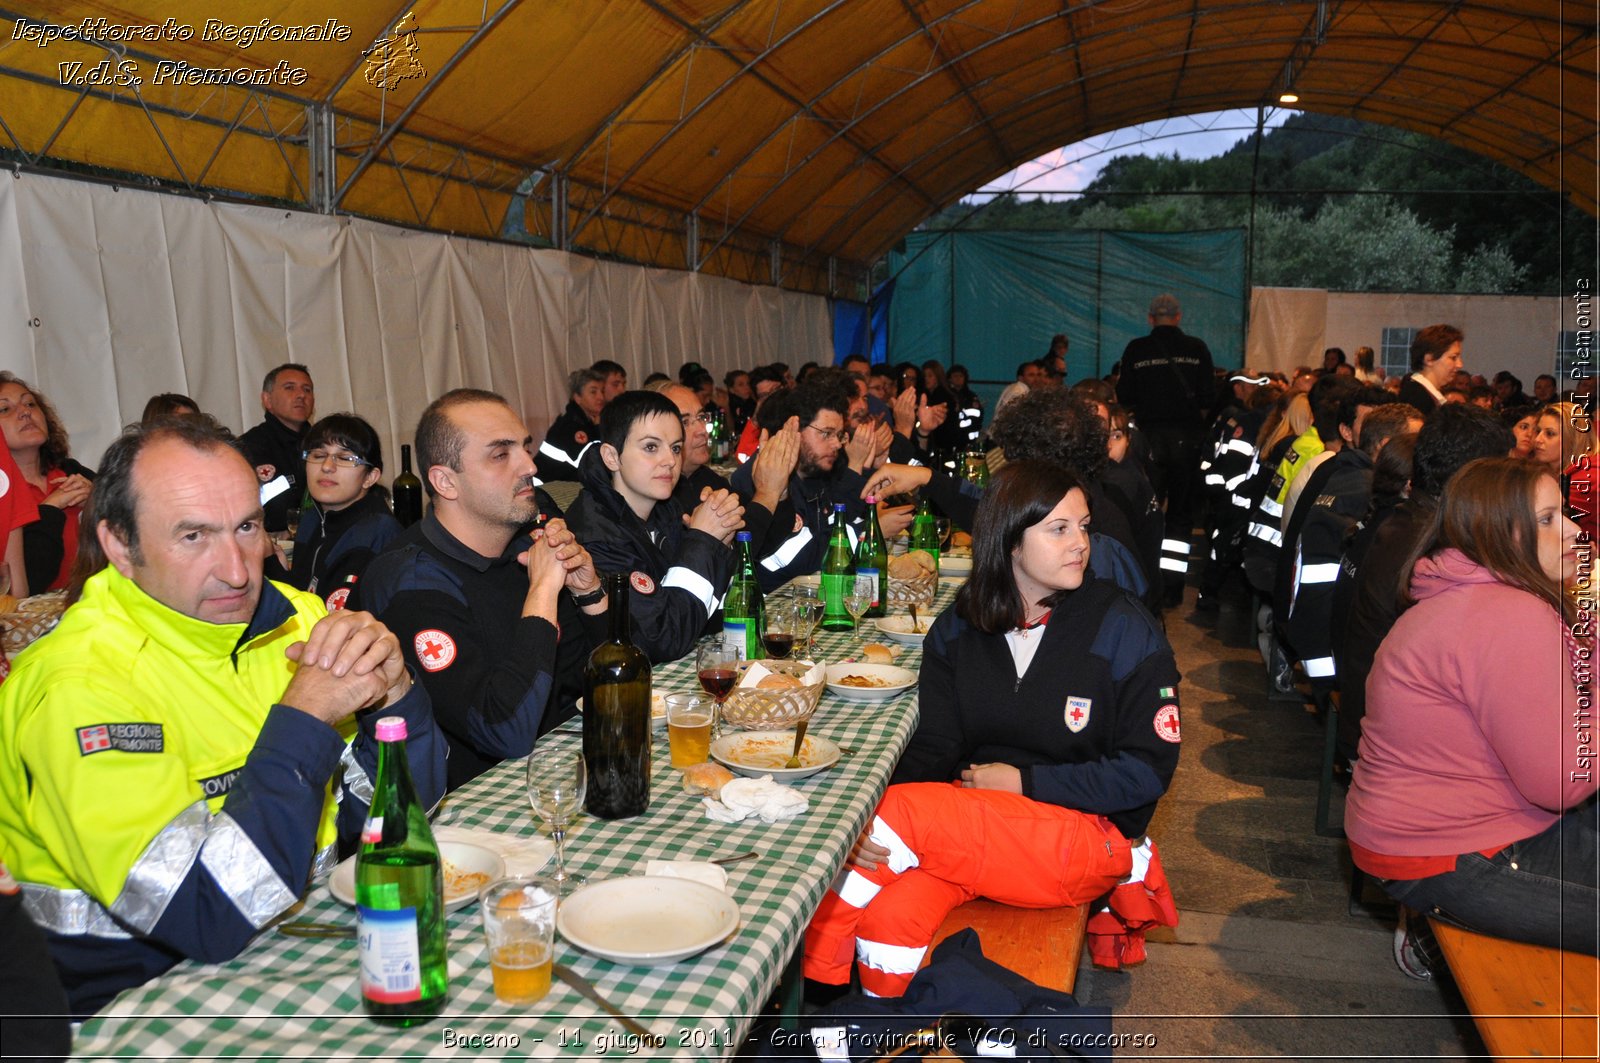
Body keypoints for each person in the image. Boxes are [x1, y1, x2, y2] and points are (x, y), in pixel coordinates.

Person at [0, 416, 443, 1016]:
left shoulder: (297, 618)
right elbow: (209, 910)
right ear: (119, 547)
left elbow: (397, 817)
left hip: (293, 950)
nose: (238, 570)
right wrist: (306, 716)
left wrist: (397, 699)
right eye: (193, 537)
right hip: (128, 1006)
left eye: (246, 527)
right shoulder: (81, 687)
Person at [801, 461, 1180, 997]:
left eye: (1083, 526)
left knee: (891, 815)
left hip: (1086, 837)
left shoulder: (1122, 629)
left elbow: (1146, 774)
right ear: (1009, 544)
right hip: (981, 829)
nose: (1081, 543)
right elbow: (936, 746)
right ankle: (882, 1031)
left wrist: (1024, 782)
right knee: (888, 920)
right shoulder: (963, 624)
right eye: (1059, 529)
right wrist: (869, 831)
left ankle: (814, 990)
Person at [1346, 458, 1595, 959]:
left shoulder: (1476, 593)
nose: (1571, 530)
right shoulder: (1507, 613)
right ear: (1500, 535)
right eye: (1547, 519)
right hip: (1447, 851)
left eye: (1562, 512)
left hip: (1432, 830)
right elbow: (1564, 780)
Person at [355, 389, 608, 791]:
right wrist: (542, 591)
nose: (529, 465)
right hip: (472, 814)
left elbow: (601, 675)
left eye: (524, 447)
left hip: (556, 775)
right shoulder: (412, 583)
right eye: (500, 454)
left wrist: (588, 592)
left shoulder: (524, 546)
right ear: (445, 481)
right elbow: (504, 732)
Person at [1333, 405, 1513, 762]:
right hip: (1389, 742)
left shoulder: (1409, 519)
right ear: (1474, 478)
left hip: (1369, 713)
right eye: (1503, 476)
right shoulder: (1435, 547)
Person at [567, 391, 742, 662]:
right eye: (651, 447)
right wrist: (703, 541)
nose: (670, 461)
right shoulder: (593, 533)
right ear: (612, 457)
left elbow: (711, 617)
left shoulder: (667, 509)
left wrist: (721, 541)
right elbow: (663, 639)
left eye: (675, 447)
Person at [731, 375, 878, 591]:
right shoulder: (758, 476)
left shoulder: (815, 472)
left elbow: (840, 520)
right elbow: (798, 559)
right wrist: (870, 532)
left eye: (839, 435)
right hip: (767, 606)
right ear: (795, 430)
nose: (837, 444)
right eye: (827, 434)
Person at [1116, 294, 1215, 605]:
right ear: (1178, 317)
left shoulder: (1136, 350)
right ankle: (1172, 589)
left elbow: (1124, 394)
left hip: (1147, 442)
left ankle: (1142, 582)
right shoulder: (1197, 349)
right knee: (1181, 517)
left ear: (1149, 319)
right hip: (1187, 442)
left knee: (1145, 512)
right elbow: (1207, 397)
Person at [288, 414, 402, 607]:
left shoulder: (378, 533)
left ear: (370, 477)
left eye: (345, 458)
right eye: (318, 455)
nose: (327, 466)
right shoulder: (311, 519)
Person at [0, 373, 94, 593]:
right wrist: (50, 509)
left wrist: (99, 499)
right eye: (5, 409)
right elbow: (27, 585)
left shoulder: (71, 471)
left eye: (30, 404)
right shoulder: (4, 495)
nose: (25, 412)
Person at [238, 363, 315, 533]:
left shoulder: (323, 444)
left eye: (307, 389)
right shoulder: (249, 446)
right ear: (267, 400)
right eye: (289, 388)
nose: (301, 395)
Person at [535, 367, 607, 482]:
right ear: (577, 397)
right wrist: (598, 428)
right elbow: (594, 464)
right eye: (593, 392)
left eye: (602, 391)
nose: (601, 397)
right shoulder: (571, 426)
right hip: (549, 490)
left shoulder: (586, 421)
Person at [1395, 325, 1464, 416]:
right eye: (1453, 358)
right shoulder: (1417, 397)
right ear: (1429, 359)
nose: (1460, 364)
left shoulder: (1426, 394)